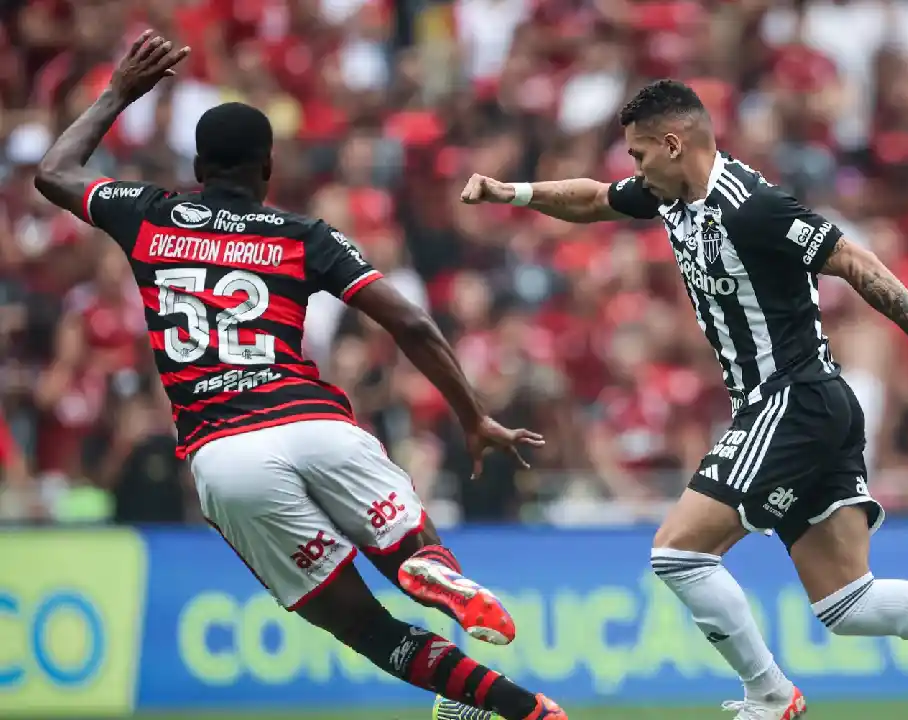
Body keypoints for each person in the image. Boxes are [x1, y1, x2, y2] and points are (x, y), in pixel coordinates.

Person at [461, 79, 908, 717]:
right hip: (811, 404)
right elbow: (595, 201)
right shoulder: (671, 197)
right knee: (848, 604)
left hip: (791, 399)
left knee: (677, 551)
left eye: (639, 155)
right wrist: (512, 192)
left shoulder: (751, 206)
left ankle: (768, 694)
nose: (633, 169)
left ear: (673, 144)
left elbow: (853, 260)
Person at [33, 31, 566, 720]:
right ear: (268, 167)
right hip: (316, 425)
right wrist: (472, 416)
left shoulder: (148, 215)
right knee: (408, 553)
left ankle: (525, 712)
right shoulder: (300, 234)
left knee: (366, 628)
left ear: (197, 165)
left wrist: (118, 92)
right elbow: (412, 325)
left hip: (225, 453)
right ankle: (423, 568)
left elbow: (54, 172)